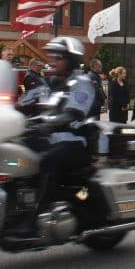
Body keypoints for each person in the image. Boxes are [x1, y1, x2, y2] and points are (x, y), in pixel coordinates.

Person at [33, 36, 95, 214]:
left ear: (71, 60)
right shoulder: (54, 84)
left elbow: (73, 113)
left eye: (58, 58)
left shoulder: (81, 83)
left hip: (75, 141)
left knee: (47, 161)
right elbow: (36, 108)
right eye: (52, 57)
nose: (53, 61)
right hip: (52, 139)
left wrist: (50, 124)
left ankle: (40, 213)